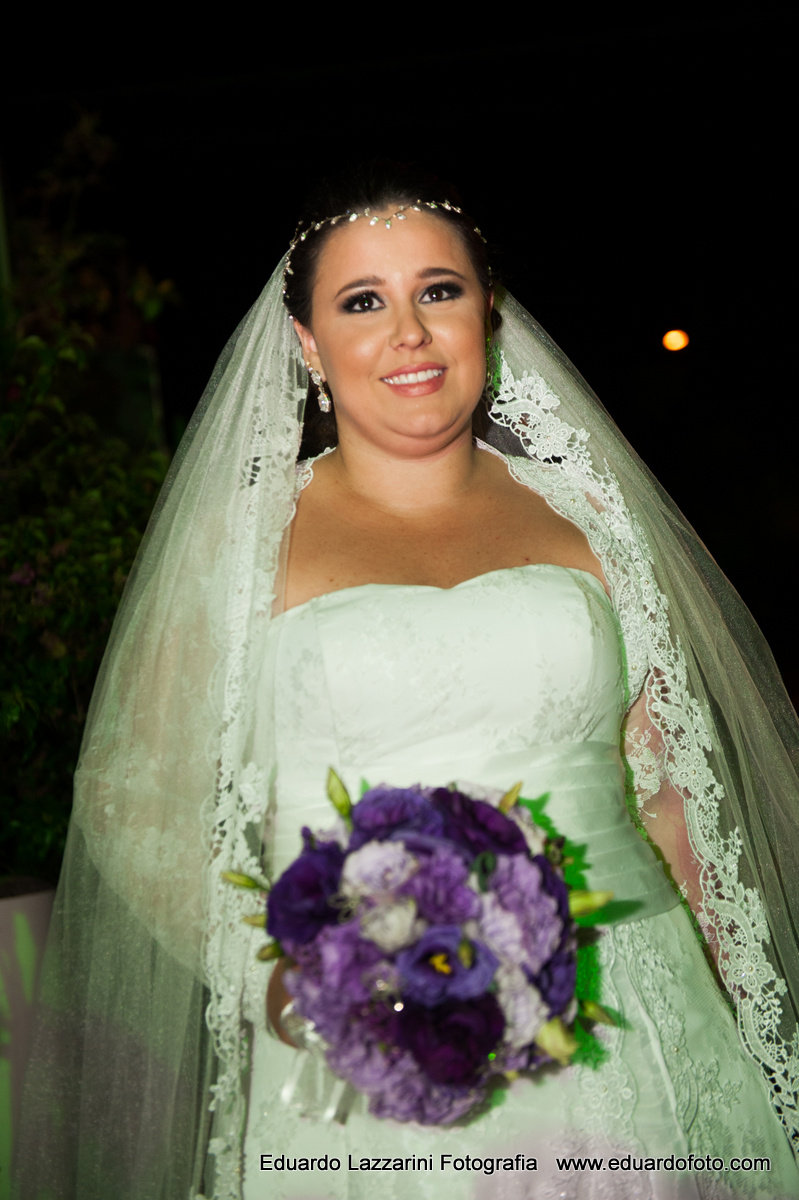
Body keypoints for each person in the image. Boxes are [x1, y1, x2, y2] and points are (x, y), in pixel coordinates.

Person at [14, 164, 799, 1200]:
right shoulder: (244, 544)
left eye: (438, 290)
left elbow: (661, 791)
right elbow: (130, 796)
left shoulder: (589, 519)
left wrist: (698, 1027)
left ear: (489, 312)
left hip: (630, 1039)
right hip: (367, 1064)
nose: (409, 332)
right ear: (307, 344)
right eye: (362, 302)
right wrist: (302, 976)